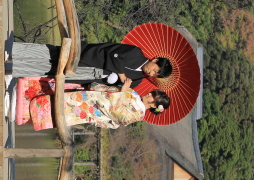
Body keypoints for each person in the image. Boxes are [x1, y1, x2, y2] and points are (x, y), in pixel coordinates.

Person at [14, 76, 169, 131]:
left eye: (152, 97)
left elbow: (115, 113)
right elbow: (109, 91)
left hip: (90, 110)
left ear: (154, 106)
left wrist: (122, 92)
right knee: (57, 98)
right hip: (88, 98)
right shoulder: (134, 94)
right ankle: (21, 99)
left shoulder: (137, 115)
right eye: (151, 93)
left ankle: (22, 114)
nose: (148, 94)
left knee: (55, 111)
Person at [9, 41, 172, 89]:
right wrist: (121, 73)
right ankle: (12, 51)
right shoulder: (136, 52)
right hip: (88, 55)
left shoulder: (137, 80)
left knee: (49, 70)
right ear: (155, 60)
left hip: (90, 75)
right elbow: (113, 54)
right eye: (156, 70)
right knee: (51, 53)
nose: (152, 74)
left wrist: (123, 89)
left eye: (156, 75)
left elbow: (112, 87)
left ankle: (12, 69)